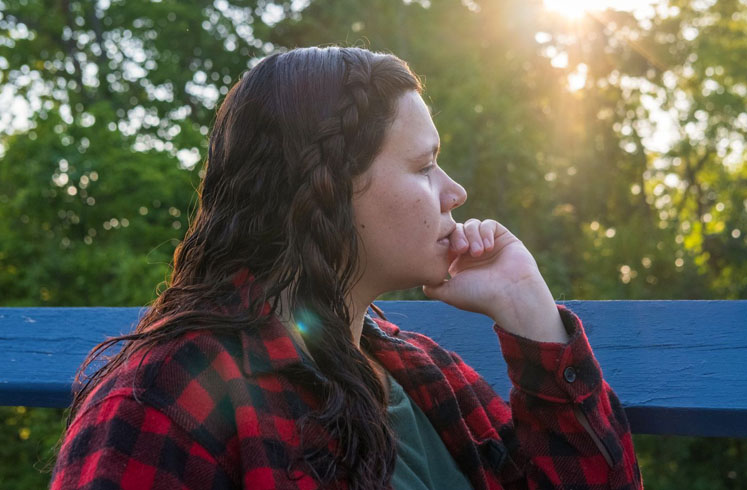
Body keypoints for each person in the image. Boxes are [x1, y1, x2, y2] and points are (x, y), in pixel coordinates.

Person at [51, 46, 643, 490]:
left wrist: (528, 311)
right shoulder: (164, 399)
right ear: (328, 189)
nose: (455, 191)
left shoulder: (419, 371)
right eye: (424, 165)